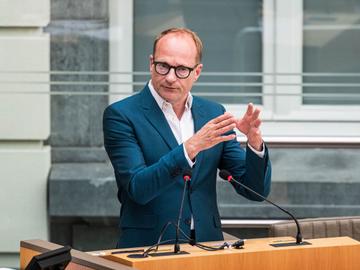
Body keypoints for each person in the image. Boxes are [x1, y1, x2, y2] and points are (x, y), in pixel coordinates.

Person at [103, 27, 271, 248]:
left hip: (207, 246)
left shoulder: (213, 113)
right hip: (149, 247)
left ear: (197, 72)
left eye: (181, 69)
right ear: (151, 63)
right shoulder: (121, 115)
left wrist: (254, 143)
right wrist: (189, 148)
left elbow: (255, 190)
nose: (170, 78)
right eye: (163, 66)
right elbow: (138, 188)